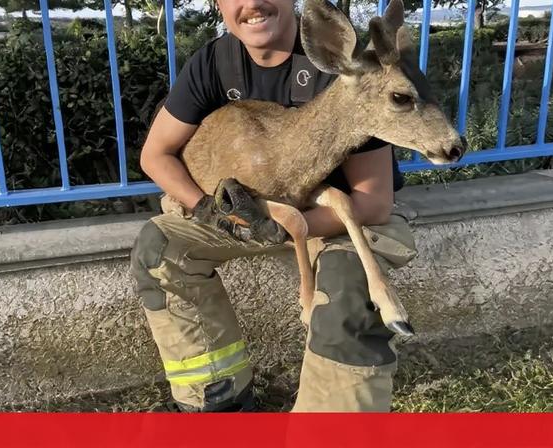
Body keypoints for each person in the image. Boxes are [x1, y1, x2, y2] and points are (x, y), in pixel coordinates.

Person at [130, 0, 418, 412]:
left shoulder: (344, 64)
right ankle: (216, 400)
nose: (252, 4)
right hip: (247, 216)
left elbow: (372, 204)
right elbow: (156, 155)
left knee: (347, 290)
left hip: (335, 217)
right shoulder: (216, 62)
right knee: (160, 249)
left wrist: (287, 227)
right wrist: (207, 210)